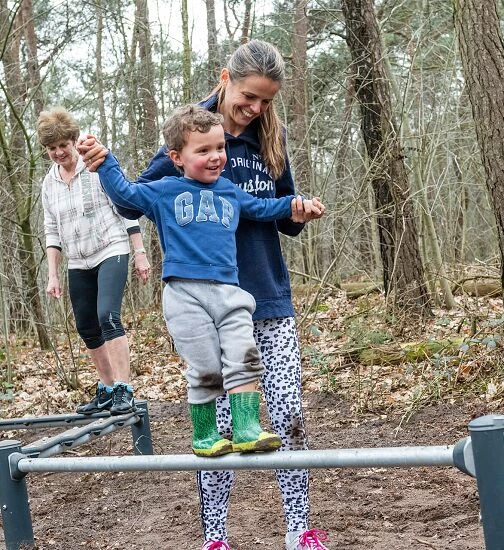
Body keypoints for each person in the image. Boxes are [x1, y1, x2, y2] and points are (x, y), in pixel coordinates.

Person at [81, 39, 331, 550]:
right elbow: (135, 200)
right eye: (248, 96)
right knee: (219, 422)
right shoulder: (194, 131)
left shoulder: (270, 138)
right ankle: (215, 537)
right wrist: (105, 164)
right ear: (224, 78)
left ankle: (298, 528)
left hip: (266, 294)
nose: (255, 108)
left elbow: (284, 215)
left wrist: (299, 210)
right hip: (204, 300)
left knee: (287, 414)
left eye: (266, 100)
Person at [81, 104, 324, 459]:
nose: (216, 157)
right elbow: (126, 195)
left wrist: (296, 205)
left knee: (244, 356)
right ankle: (205, 434)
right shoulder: (164, 190)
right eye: (204, 150)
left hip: (230, 291)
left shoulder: (229, 191)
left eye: (220, 148)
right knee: (207, 368)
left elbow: (262, 208)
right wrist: (106, 162)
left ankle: (247, 428)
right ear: (177, 157)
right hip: (185, 295)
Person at [37, 106, 151, 417]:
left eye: (63, 145)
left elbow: (126, 208)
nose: (59, 152)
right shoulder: (49, 183)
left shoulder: (97, 168)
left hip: (110, 248)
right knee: (86, 325)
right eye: (52, 148)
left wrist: (140, 252)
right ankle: (107, 387)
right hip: (78, 259)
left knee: (107, 316)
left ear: (74, 140)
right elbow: (51, 230)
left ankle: (124, 388)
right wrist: (53, 274)